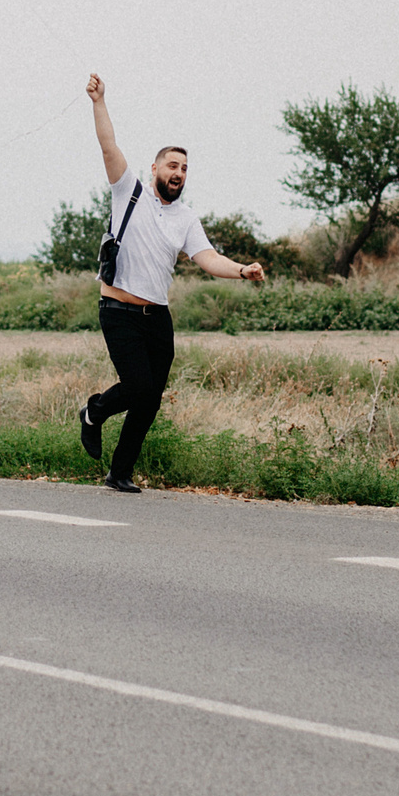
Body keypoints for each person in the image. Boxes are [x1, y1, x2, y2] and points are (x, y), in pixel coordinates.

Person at [79, 74, 263, 491]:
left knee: (150, 399)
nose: (179, 172)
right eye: (172, 165)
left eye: (184, 168)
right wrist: (99, 102)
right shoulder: (129, 191)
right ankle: (93, 412)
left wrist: (242, 270)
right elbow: (109, 146)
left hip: (157, 317)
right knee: (139, 386)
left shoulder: (186, 217)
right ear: (155, 168)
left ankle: (119, 473)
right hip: (118, 310)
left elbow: (207, 258)